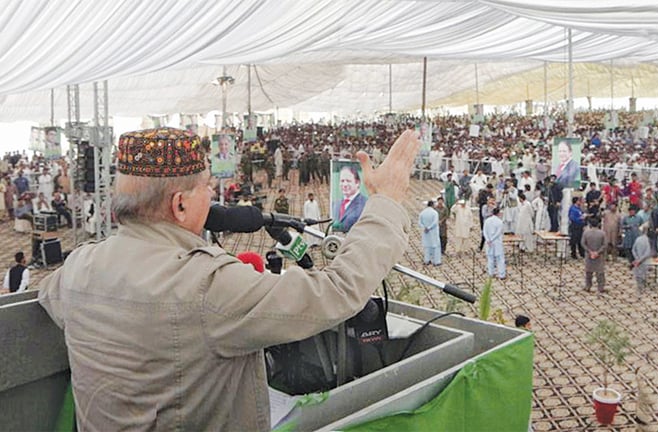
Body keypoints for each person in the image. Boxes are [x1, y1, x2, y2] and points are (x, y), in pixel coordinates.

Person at [37, 127, 421, 430]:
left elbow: (51, 299)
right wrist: (385, 202)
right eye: (206, 187)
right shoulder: (206, 283)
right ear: (181, 204)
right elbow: (336, 291)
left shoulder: (76, 269)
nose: (213, 198)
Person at [332, 165, 367, 232]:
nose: (344, 185)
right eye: (342, 181)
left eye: (348, 181)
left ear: (357, 183)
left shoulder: (365, 204)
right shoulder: (335, 204)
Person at [581, 216, 607, 294]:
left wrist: (590, 251)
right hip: (599, 256)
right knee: (600, 273)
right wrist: (598, 252)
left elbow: (583, 243)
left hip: (589, 255)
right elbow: (605, 245)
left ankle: (588, 286)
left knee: (588, 272)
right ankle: (600, 287)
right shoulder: (602, 233)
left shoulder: (586, 233)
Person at [483, 207, 506, 279]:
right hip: (496, 242)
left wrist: (488, 239)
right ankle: (501, 274)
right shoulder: (499, 222)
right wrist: (492, 239)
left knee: (490, 258)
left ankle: (491, 273)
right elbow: (498, 233)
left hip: (489, 242)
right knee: (500, 259)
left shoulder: (487, 221)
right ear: (498, 213)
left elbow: (484, 231)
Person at [419, 200, 441, 266]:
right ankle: (436, 261)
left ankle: (427, 260)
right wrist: (429, 227)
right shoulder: (435, 213)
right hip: (433, 232)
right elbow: (435, 222)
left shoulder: (422, 213)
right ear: (433, 205)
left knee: (427, 246)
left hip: (426, 232)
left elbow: (419, 222)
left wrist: (424, 227)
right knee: (436, 246)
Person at [631, 227, 651, 296]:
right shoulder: (647, 240)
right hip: (644, 261)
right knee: (643, 275)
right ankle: (642, 289)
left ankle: (639, 288)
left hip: (637, 260)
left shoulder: (638, 239)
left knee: (638, 275)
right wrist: (640, 260)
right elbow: (647, 252)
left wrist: (637, 258)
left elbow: (633, 249)